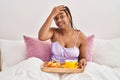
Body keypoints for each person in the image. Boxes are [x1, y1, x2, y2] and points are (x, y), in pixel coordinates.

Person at [38, 5, 87, 70]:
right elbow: (41, 37)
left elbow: (82, 57)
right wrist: (51, 15)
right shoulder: (53, 32)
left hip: (72, 71)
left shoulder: (81, 36)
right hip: (53, 69)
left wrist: (82, 60)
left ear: (69, 16)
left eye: (62, 16)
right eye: (55, 18)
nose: (59, 20)